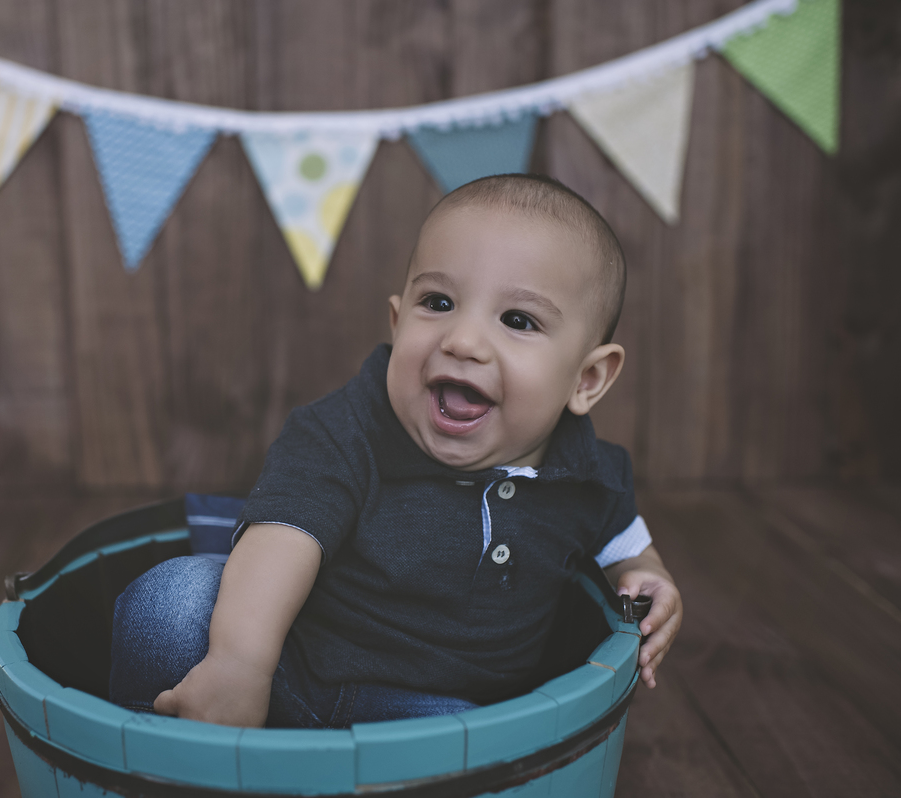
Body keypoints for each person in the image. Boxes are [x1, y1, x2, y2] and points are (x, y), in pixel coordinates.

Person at [109, 174, 683, 728]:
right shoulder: (344, 432)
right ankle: (171, 756)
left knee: (490, 745)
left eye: (517, 319)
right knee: (172, 600)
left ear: (587, 379)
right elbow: (282, 539)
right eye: (437, 303)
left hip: (436, 717)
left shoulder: (591, 476)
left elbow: (626, 551)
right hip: (288, 673)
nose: (461, 340)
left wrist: (647, 576)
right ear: (396, 320)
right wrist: (240, 666)